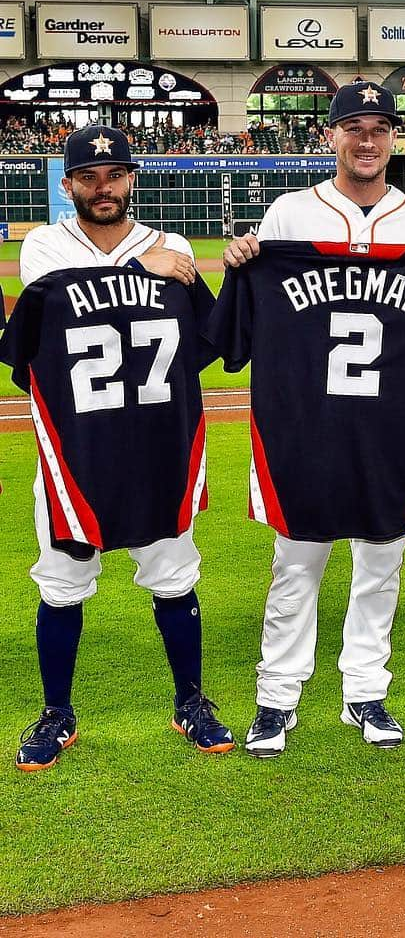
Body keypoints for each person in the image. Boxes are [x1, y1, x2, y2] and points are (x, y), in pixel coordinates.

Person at [222, 81, 405, 757]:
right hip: (307, 424)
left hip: (392, 427)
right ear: (331, 136)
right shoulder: (289, 214)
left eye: (378, 128)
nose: (366, 140)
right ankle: (276, 698)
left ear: (394, 139)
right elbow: (241, 331)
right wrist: (242, 266)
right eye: (354, 128)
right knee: (296, 564)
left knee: (381, 564)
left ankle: (365, 693)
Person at [10, 124, 234, 772]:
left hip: (155, 445)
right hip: (75, 450)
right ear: (68, 184)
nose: (102, 188)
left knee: (174, 577)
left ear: (131, 178)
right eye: (88, 177)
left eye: (113, 175)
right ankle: (57, 713)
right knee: (61, 583)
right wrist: (142, 269)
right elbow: (71, 304)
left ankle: (190, 701)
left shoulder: (176, 247)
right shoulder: (45, 248)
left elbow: (211, 341)